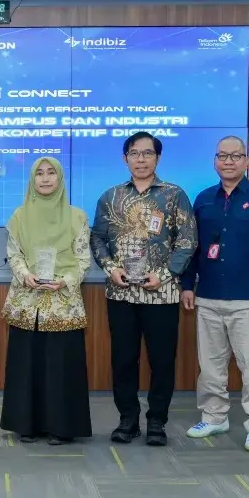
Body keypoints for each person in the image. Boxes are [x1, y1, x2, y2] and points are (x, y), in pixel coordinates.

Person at [89, 131, 196, 446]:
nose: (141, 159)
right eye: (134, 153)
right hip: (121, 294)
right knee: (123, 359)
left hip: (161, 294)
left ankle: (157, 422)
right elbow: (97, 238)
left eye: (147, 153)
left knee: (162, 360)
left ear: (157, 158)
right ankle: (128, 420)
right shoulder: (110, 197)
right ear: (125, 158)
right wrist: (111, 268)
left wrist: (163, 274)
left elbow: (187, 241)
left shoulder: (174, 195)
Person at [181, 136, 249, 452]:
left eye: (235, 156)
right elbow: (193, 248)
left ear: (246, 161)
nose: (228, 161)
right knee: (210, 366)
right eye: (222, 156)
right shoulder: (203, 199)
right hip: (209, 296)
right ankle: (214, 417)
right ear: (215, 161)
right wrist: (188, 285)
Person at [0, 157, 93, 445]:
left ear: (60, 178)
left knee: (60, 365)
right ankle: (26, 424)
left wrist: (63, 280)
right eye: (39, 173)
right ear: (32, 179)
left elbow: (83, 260)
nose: (45, 178)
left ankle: (61, 427)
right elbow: (14, 254)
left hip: (62, 302)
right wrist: (25, 274)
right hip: (28, 302)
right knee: (27, 363)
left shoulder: (77, 217)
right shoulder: (19, 215)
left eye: (51, 172)